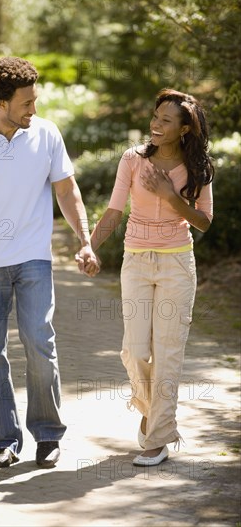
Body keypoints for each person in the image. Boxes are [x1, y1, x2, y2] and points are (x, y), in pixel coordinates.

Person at [0, 56, 99, 469]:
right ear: (1, 102)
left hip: (34, 258)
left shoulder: (45, 134)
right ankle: (3, 441)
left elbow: (67, 191)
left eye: (34, 101)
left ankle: (48, 436)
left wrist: (85, 240)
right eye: (26, 102)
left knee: (40, 345)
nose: (33, 109)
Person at [84, 89, 214, 466]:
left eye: (166, 121)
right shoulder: (133, 160)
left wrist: (172, 197)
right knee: (135, 351)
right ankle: (150, 409)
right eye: (155, 117)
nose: (156, 125)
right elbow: (112, 214)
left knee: (169, 353)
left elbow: (204, 221)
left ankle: (158, 437)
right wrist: (90, 246)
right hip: (137, 262)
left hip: (176, 265)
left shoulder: (199, 168)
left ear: (185, 128)